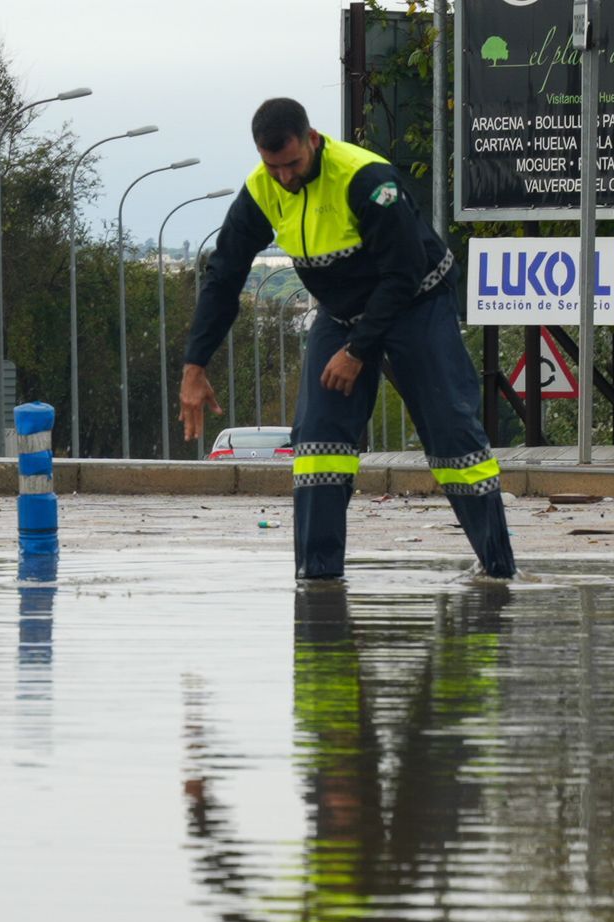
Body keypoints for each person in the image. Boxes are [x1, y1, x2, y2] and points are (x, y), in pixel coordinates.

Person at [178, 98, 516, 581]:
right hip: (340, 313)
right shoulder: (261, 190)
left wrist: (358, 351)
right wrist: (195, 366)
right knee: (317, 445)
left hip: (415, 302)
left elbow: (403, 274)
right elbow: (223, 278)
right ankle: (317, 580)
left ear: (312, 140)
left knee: (453, 436)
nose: (285, 178)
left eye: (292, 164)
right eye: (272, 166)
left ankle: (499, 569)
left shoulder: (367, 180)